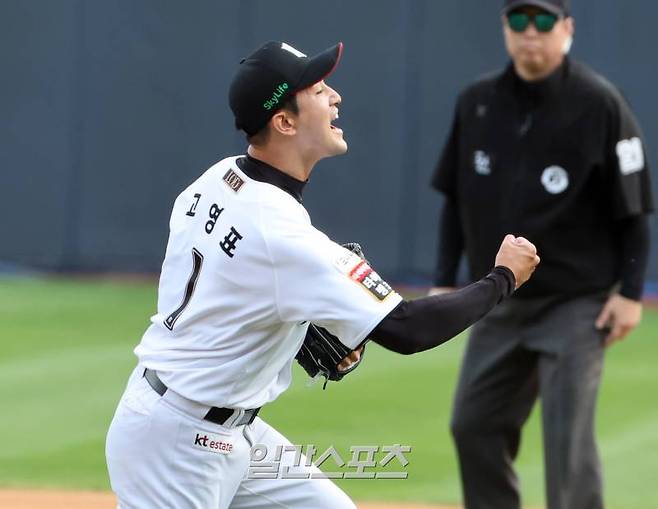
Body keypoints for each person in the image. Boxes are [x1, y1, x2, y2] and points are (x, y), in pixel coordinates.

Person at [105, 40, 539, 509]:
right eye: (317, 89)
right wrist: (502, 278)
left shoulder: (217, 178)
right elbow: (409, 329)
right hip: (174, 448)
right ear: (284, 121)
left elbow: (229, 287)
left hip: (223, 428)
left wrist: (299, 319)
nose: (335, 97)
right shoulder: (280, 231)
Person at [429, 1, 654, 508]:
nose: (532, 32)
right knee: (472, 425)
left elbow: (635, 210)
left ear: (568, 29)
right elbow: (454, 197)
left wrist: (630, 293)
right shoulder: (477, 102)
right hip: (500, 297)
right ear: (505, 29)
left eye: (546, 21)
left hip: (576, 303)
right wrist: (445, 279)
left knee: (565, 443)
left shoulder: (601, 103)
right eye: (520, 21)